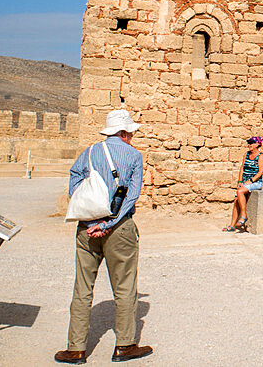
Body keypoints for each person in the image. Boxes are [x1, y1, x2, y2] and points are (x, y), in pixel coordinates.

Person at [54, 109, 153, 364]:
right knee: (125, 286)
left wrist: (91, 215)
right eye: (130, 133)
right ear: (123, 132)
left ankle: (76, 348)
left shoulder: (89, 152)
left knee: (82, 287)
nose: (131, 137)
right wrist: (110, 221)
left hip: (87, 228)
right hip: (119, 229)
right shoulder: (133, 156)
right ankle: (125, 345)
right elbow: (132, 195)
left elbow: (75, 178)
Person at [224, 136, 263, 232]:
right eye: (248, 142)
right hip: (245, 182)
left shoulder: (260, 156)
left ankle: (243, 215)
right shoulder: (246, 154)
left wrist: (251, 180)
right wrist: (239, 181)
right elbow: (242, 168)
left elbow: (261, 171)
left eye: (251, 143)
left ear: (257, 144)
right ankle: (232, 225)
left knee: (240, 191)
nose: (249, 145)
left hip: (255, 182)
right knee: (236, 201)